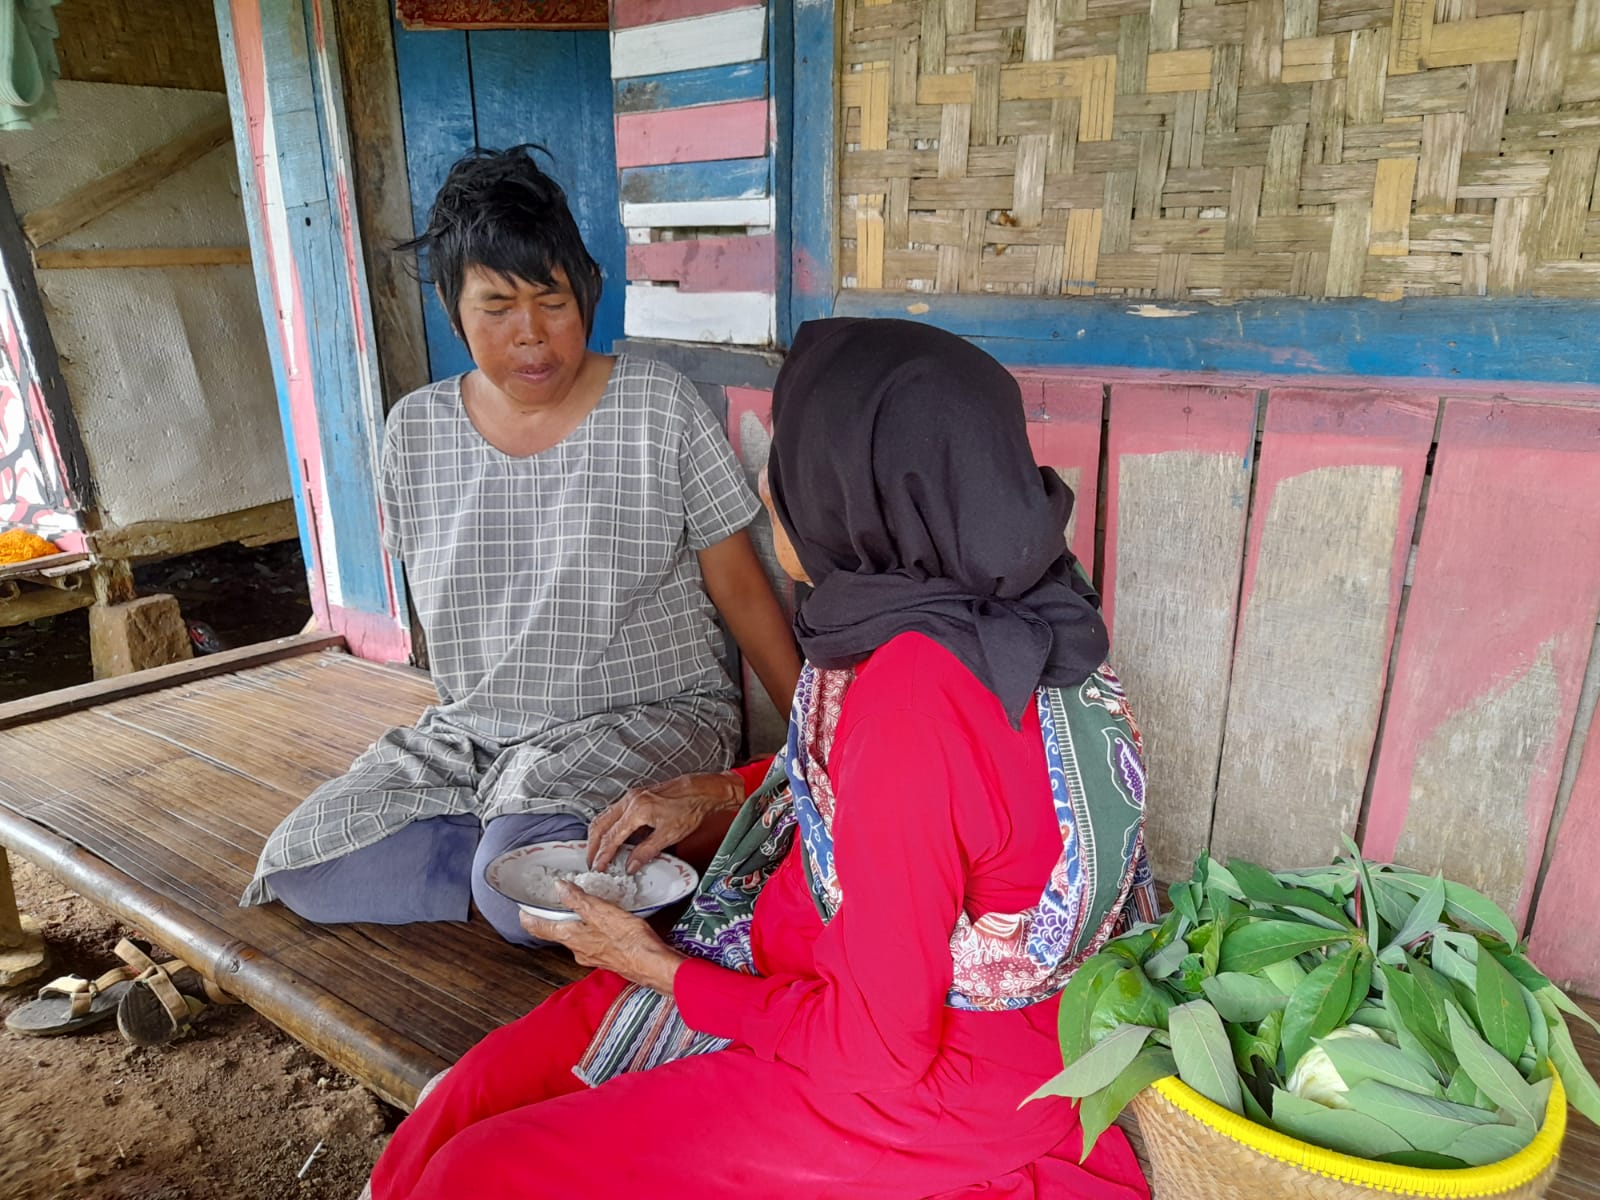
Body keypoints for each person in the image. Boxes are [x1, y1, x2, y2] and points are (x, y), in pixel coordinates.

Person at [365, 317, 1158, 1199]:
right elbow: (930, 815)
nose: (769, 482)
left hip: (919, 1080)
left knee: (475, 1173)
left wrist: (660, 969)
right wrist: (714, 794)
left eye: (791, 455)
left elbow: (877, 1048)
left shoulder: (917, 698)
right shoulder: (1007, 606)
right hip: (821, 962)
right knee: (475, 1094)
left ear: (856, 487)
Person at [240, 147, 800, 946]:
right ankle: (511, 861)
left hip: (644, 716)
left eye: (552, 301)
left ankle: (512, 865)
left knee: (518, 898)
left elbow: (740, 587)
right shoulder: (415, 431)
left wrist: (811, 748)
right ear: (452, 310)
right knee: (305, 860)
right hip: (476, 733)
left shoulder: (657, 404)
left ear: (588, 293)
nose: (531, 336)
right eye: (498, 307)